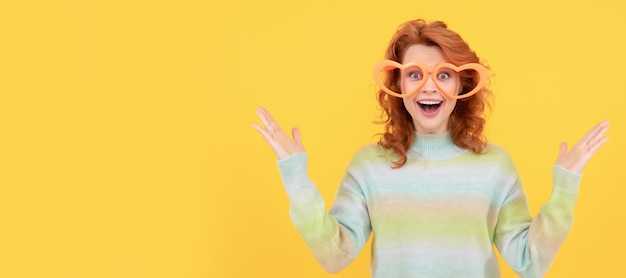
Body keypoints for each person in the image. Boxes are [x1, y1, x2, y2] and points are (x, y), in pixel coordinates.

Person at [252, 19, 609, 277]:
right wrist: (297, 180)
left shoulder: (495, 168)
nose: (428, 87)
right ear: (397, 83)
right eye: (414, 74)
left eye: (443, 74)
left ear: (461, 84)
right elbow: (334, 256)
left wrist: (565, 189)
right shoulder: (368, 167)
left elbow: (530, 262)